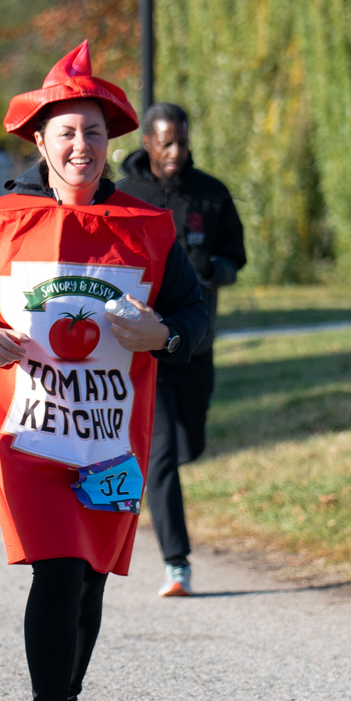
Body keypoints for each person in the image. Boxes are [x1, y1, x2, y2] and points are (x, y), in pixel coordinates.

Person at [0, 42, 207, 701]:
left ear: (108, 142)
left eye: (90, 132)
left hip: (110, 435)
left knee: (89, 580)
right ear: (40, 142)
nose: (79, 146)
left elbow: (191, 313)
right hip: (27, 429)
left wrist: (166, 335)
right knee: (54, 568)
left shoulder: (144, 228)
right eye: (65, 132)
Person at [116, 103, 247, 597]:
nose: (176, 153)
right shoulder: (126, 197)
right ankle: (178, 563)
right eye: (166, 143)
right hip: (146, 347)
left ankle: (174, 552)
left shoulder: (210, 194)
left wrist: (218, 270)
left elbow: (235, 254)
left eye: (182, 143)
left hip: (197, 341)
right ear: (147, 142)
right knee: (162, 454)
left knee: (190, 443)